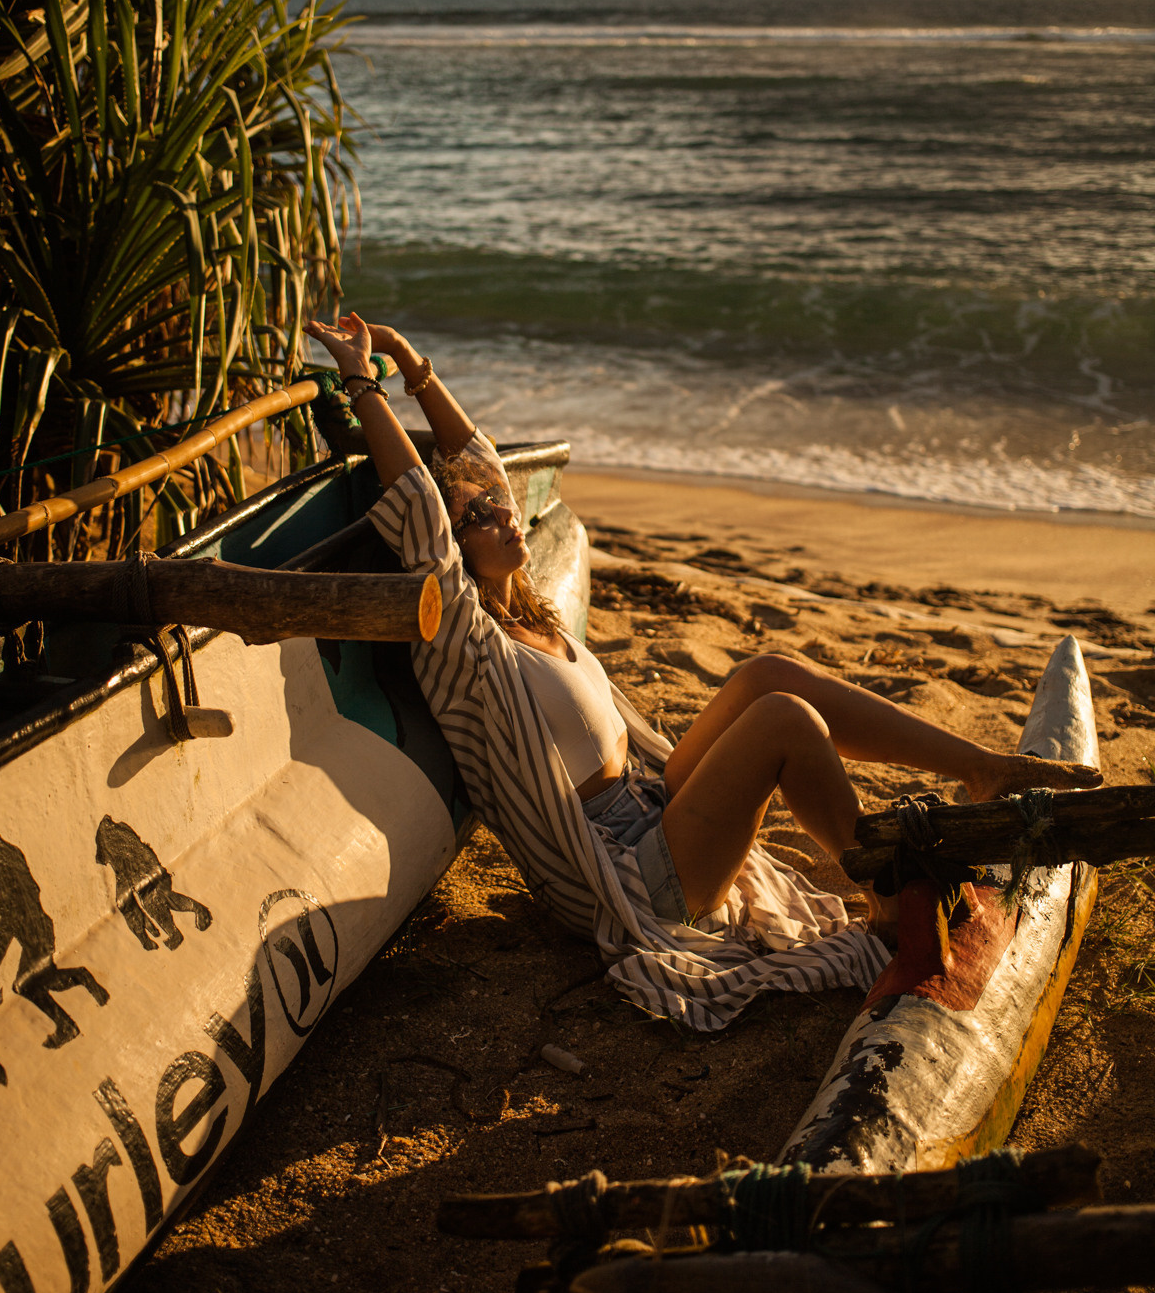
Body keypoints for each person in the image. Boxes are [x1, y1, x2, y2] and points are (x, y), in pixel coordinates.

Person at [304, 312, 1101, 1032]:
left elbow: (477, 467)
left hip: (651, 809)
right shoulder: (465, 648)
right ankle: (887, 898)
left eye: (499, 505)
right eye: (475, 518)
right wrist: (360, 380)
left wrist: (418, 367)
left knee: (763, 674)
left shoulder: (531, 614)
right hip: (627, 875)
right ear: (452, 546)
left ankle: (979, 768)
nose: (501, 513)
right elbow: (422, 505)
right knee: (784, 722)